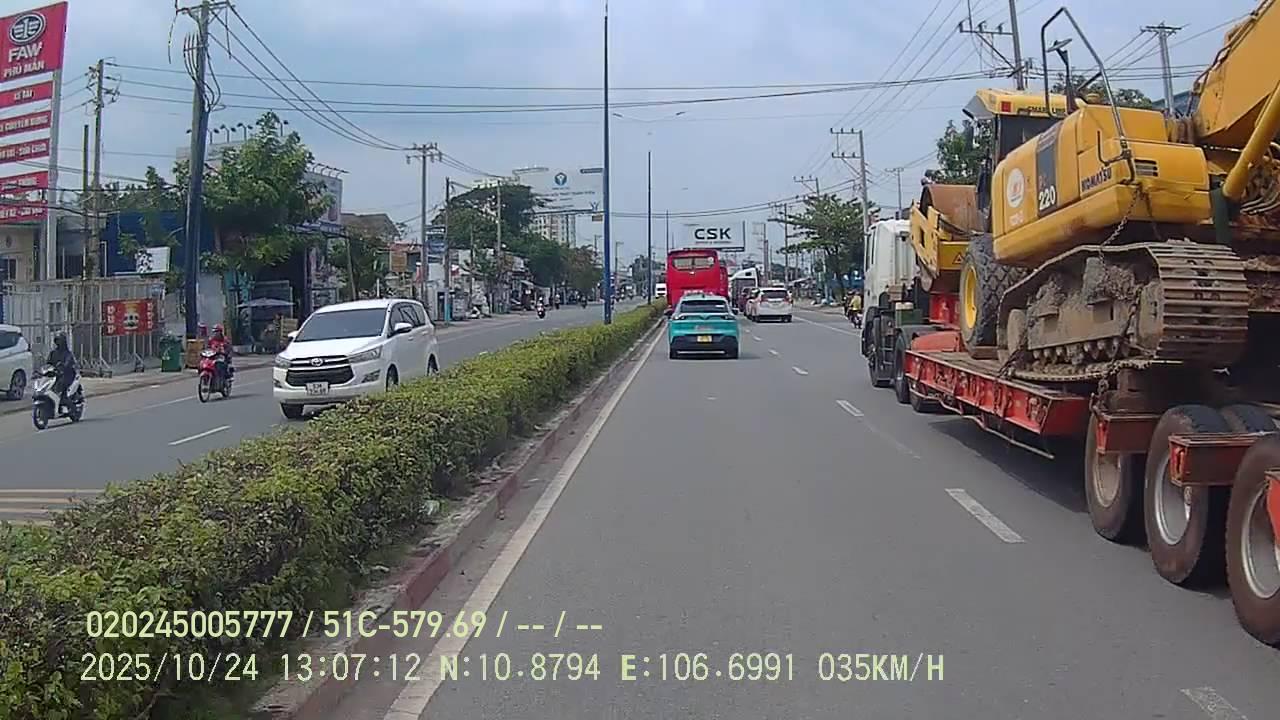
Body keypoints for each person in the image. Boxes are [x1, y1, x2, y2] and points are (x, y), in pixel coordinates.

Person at [45, 332, 76, 410]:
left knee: (62, 385)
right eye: (57, 340)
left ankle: (66, 402)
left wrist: (63, 366)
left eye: (60, 340)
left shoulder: (68, 353)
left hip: (67, 374)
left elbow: (68, 363)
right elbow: (48, 363)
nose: (58, 342)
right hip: (55, 374)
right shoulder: (53, 353)